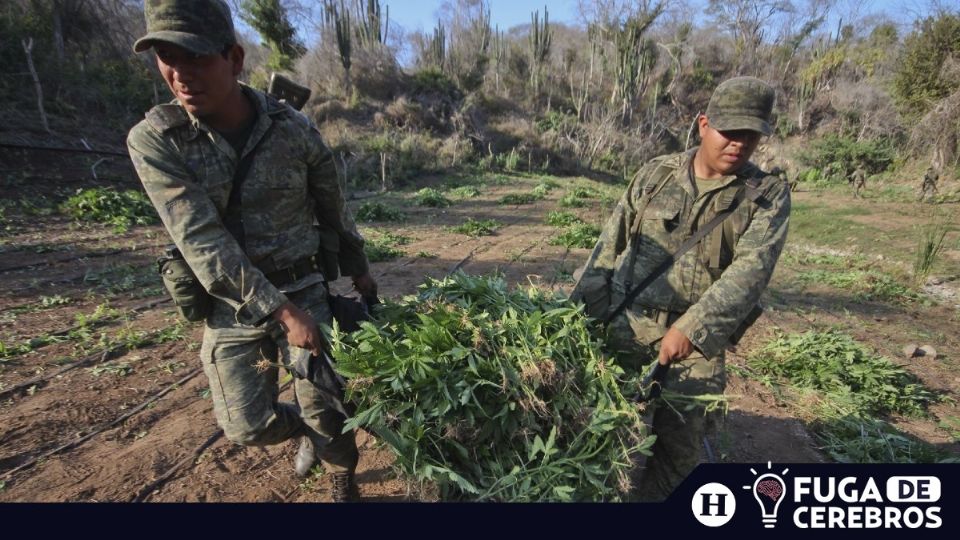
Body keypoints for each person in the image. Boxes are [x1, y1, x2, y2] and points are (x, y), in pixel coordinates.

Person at [126, 0, 376, 502]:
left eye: (195, 58)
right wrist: (282, 313)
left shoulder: (293, 129)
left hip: (304, 285)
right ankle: (302, 432)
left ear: (235, 59)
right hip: (232, 301)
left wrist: (360, 272)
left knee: (327, 407)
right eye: (167, 57)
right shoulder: (157, 141)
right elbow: (202, 241)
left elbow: (333, 209)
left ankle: (340, 482)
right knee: (247, 425)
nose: (180, 74)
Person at [571, 77, 791, 502]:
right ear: (703, 124)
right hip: (625, 326)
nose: (739, 145)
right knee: (599, 438)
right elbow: (608, 246)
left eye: (751, 136)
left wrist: (692, 329)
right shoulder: (657, 173)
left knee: (678, 456)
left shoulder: (766, 195)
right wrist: (575, 317)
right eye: (730, 132)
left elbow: (750, 272)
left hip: (693, 347)